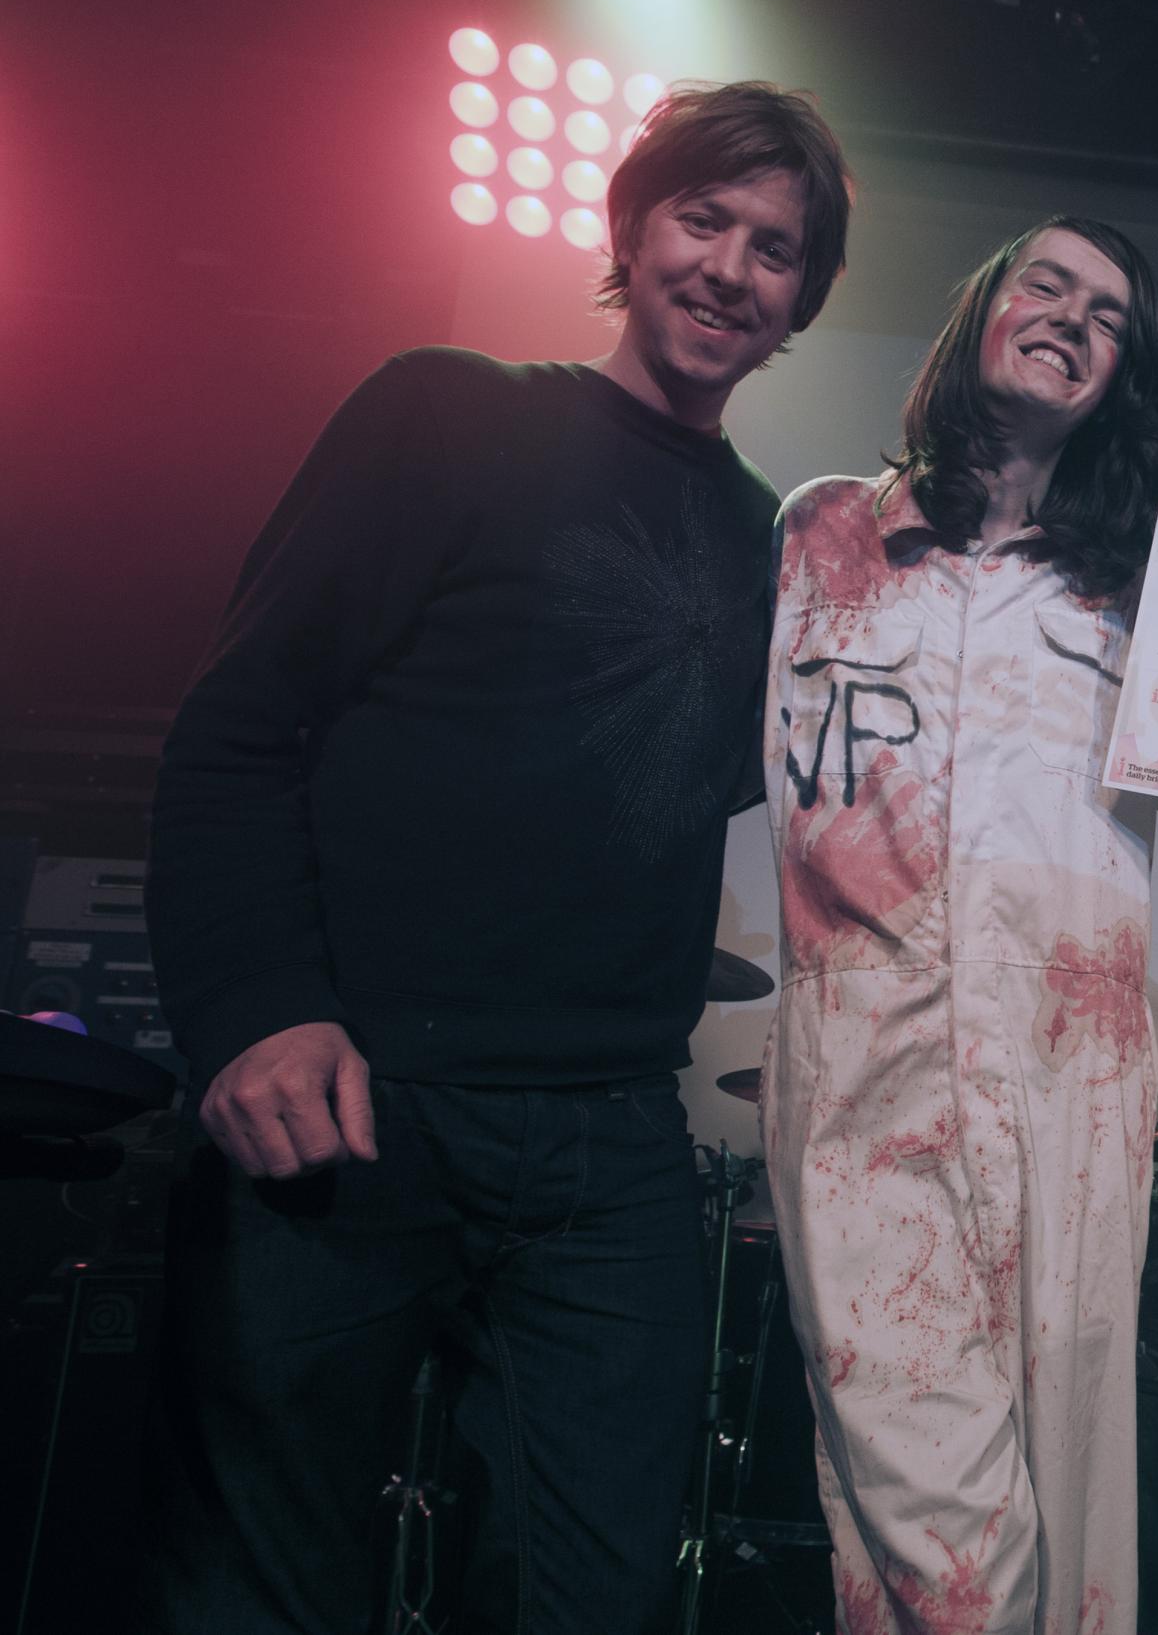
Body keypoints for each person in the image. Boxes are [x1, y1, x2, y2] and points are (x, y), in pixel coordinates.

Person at [143, 83, 855, 1632]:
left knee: (589, 1596)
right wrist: (256, 1007)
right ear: (631, 225)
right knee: (260, 1594)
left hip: (608, 1148)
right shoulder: (445, 412)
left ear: (805, 300)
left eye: (778, 249)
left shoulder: (778, 548)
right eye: (705, 219)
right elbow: (239, 731)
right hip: (359, 1102)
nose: (733, 269)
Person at [759, 215, 1158, 1634]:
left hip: (1073, 1072)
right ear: (982, 307)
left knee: (1070, 1490)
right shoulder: (818, 534)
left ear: (1122, 372)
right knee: (940, 1522)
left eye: (1110, 315)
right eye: (1049, 285)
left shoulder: (1142, 578)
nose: (1074, 319)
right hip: (863, 1059)